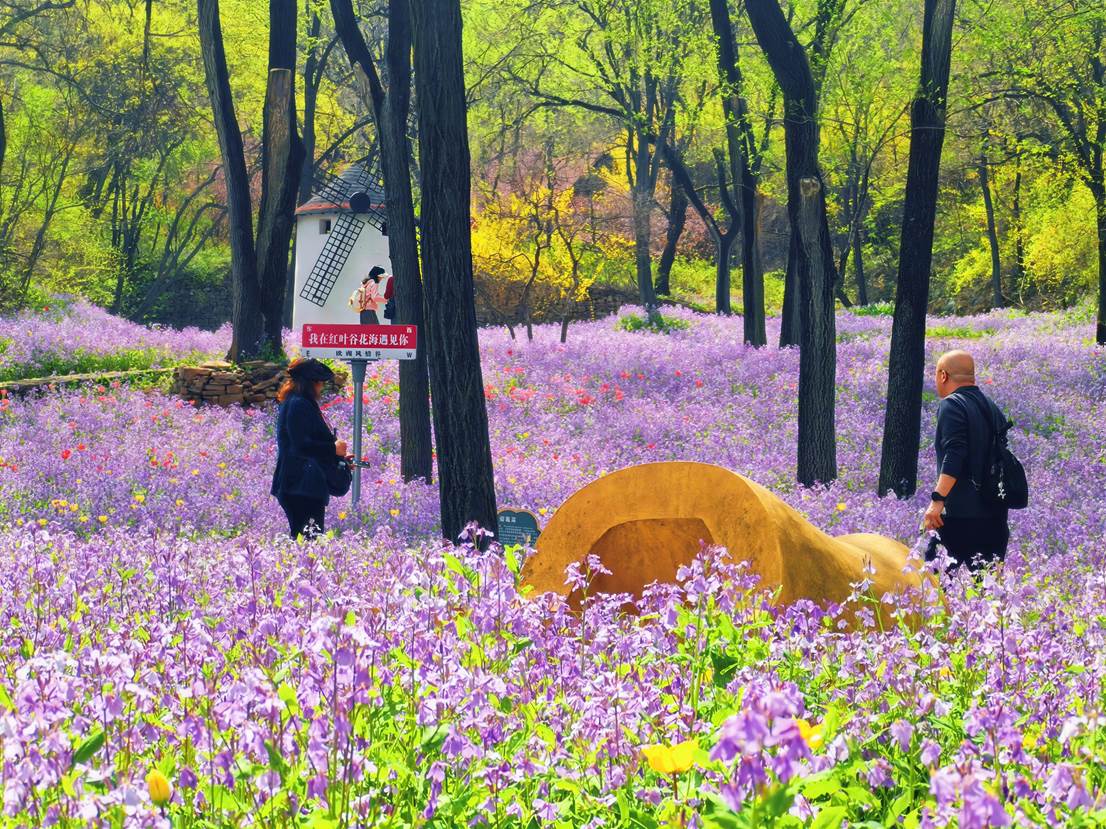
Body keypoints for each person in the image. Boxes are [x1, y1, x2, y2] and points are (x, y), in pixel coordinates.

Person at [923, 349, 1010, 570]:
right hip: (995, 517)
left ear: (943, 375)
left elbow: (955, 454)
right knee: (985, 586)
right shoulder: (991, 406)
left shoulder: (951, 405)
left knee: (934, 581)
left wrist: (937, 500)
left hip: (959, 517)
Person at [271, 358, 348, 539]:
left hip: (300, 485)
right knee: (308, 542)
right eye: (320, 382)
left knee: (306, 540)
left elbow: (309, 442)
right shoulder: (299, 404)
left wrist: (338, 457)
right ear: (311, 383)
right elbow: (301, 446)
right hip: (300, 486)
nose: (322, 386)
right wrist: (333, 449)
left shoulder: (298, 402)